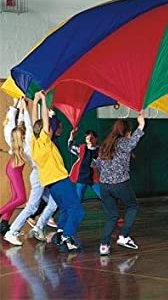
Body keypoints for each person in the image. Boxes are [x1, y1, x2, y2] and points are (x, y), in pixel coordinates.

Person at [30, 91, 84, 252]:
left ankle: (60, 233)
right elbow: (44, 123)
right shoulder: (45, 141)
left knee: (66, 208)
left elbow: (36, 123)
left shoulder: (34, 142)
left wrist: (35, 101)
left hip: (51, 183)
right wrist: (44, 101)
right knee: (77, 210)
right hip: (60, 179)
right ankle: (68, 235)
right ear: (46, 132)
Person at [3, 97, 57, 246]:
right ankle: (12, 231)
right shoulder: (30, 143)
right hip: (39, 175)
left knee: (53, 202)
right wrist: (26, 108)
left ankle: (38, 226)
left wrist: (23, 108)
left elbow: (27, 122)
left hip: (41, 174)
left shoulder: (24, 142)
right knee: (31, 205)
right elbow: (29, 122)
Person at [92, 113, 145, 256]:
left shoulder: (105, 145)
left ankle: (104, 245)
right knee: (132, 206)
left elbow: (96, 164)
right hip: (120, 183)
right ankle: (124, 236)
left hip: (104, 186)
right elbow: (132, 143)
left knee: (112, 216)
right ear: (126, 132)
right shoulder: (122, 142)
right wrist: (141, 125)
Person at [0, 98, 28, 236]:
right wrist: (17, 104)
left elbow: (20, 123)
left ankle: (4, 224)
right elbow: (13, 119)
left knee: (15, 197)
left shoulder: (16, 131)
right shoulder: (12, 132)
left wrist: (21, 107)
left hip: (14, 166)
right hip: (14, 168)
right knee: (21, 198)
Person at [68, 128, 101, 201]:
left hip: (94, 178)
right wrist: (72, 136)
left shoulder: (100, 151)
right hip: (82, 178)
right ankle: (76, 212)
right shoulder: (82, 149)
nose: (89, 140)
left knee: (104, 197)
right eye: (87, 139)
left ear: (96, 139)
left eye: (92, 138)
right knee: (78, 200)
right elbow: (70, 147)